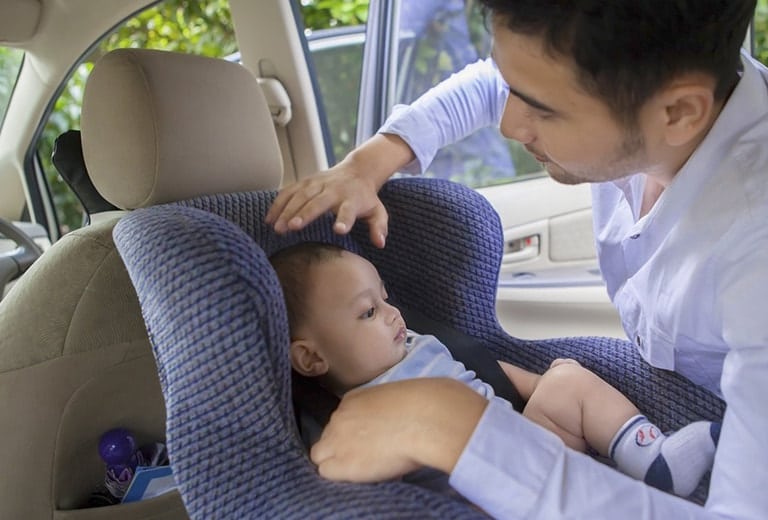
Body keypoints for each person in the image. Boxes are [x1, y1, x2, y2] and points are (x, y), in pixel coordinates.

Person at [266, 1, 768, 518]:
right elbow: (495, 83)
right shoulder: (653, 105)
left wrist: (454, 430)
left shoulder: (755, 254)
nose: (509, 124)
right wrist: (370, 162)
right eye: (513, 89)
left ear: (678, 112)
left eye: (542, 109)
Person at [270, 242, 718, 498]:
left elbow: (485, 371)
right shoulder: (355, 416)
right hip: (487, 493)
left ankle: (654, 461)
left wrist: (549, 389)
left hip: (529, 437)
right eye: (368, 312)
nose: (392, 313)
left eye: (385, 298)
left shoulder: (415, 344)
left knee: (568, 378)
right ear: (311, 358)